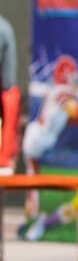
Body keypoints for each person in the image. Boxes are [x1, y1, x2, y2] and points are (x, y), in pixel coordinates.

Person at [0, 13, 18, 173]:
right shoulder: (5, 27)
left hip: (6, 92)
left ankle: (5, 160)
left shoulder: (3, 29)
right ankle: (6, 160)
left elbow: (7, 82)